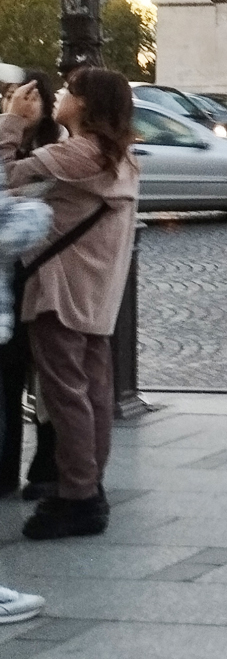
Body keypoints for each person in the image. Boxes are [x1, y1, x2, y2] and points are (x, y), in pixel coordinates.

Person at [1, 67, 139, 539]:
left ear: (83, 104)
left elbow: (3, 177)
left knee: (66, 398)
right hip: (97, 295)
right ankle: (87, 488)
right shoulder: (118, 155)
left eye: (68, 90)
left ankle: (79, 497)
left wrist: (11, 122)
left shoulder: (77, 152)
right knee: (92, 395)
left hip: (59, 292)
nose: (58, 94)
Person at [0, 74, 61, 499]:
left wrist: (11, 128)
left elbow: (17, 192)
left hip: (39, 279)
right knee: (7, 380)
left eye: (24, 96)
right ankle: (5, 471)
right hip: (11, 281)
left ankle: (46, 468)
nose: (15, 103)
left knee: (44, 381)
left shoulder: (54, 151)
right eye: (9, 96)